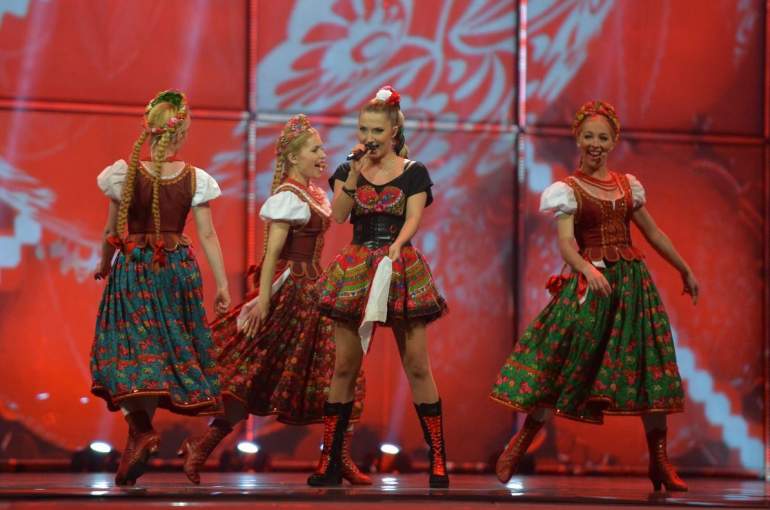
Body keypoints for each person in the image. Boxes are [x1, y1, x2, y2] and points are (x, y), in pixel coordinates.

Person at [490, 100, 699, 492]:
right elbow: (566, 244)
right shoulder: (568, 191)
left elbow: (653, 233)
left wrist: (683, 267)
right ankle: (522, 441)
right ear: (578, 138)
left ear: (614, 141)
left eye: (603, 137)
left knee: (648, 364)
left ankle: (659, 461)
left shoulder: (627, 187)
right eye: (589, 136)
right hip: (592, 285)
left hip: (631, 287)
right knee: (562, 360)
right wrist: (587, 269)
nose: (595, 144)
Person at [177, 114, 368, 485]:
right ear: (294, 157)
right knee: (252, 377)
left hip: (315, 291)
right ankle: (201, 447)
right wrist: (263, 301)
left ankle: (337, 456)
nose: (322, 155)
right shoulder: (286, 197)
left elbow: (341, 215)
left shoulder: (313, 194)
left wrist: (355, 174)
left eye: (322, 149)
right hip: (291, 292)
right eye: (315, 150)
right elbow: (272, 255)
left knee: (343, 373)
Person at [309, 86, 449, 488]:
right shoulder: (347, 169)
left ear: (393, 133)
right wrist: (353, 174)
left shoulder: (414, 171)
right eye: (364, 129)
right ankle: (330, 460)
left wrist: (398, 246)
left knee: (417, 365)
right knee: (345, 367)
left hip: (397, 262)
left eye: (376, 130)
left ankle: (438, 458)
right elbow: (339, 215)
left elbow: (413, 218)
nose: (369, 137)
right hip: (356, 264)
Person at [91, 90, 231, 486]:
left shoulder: (125, 174)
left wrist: (103, 263)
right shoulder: (194, 178)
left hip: (136, 269)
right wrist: (222, 284)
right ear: (181, 132)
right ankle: (136, 442)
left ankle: (141, 430)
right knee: (153, 358)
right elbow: (207, 234)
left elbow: (110, 229)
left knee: (124, 353)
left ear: (148, 129)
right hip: (176, 271)